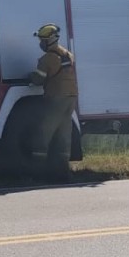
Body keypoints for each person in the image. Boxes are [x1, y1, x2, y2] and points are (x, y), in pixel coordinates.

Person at [29, 23, 78, 181]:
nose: (41, 44)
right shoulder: (68, 54)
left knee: (44, 133)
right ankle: (64, 173)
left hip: (56, 98)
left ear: (49, 41)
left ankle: (37, 173)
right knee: (64, 134)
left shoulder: (47, 59)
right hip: (71, 98)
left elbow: (38, 79)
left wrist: (30, 76)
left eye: (42, 40)